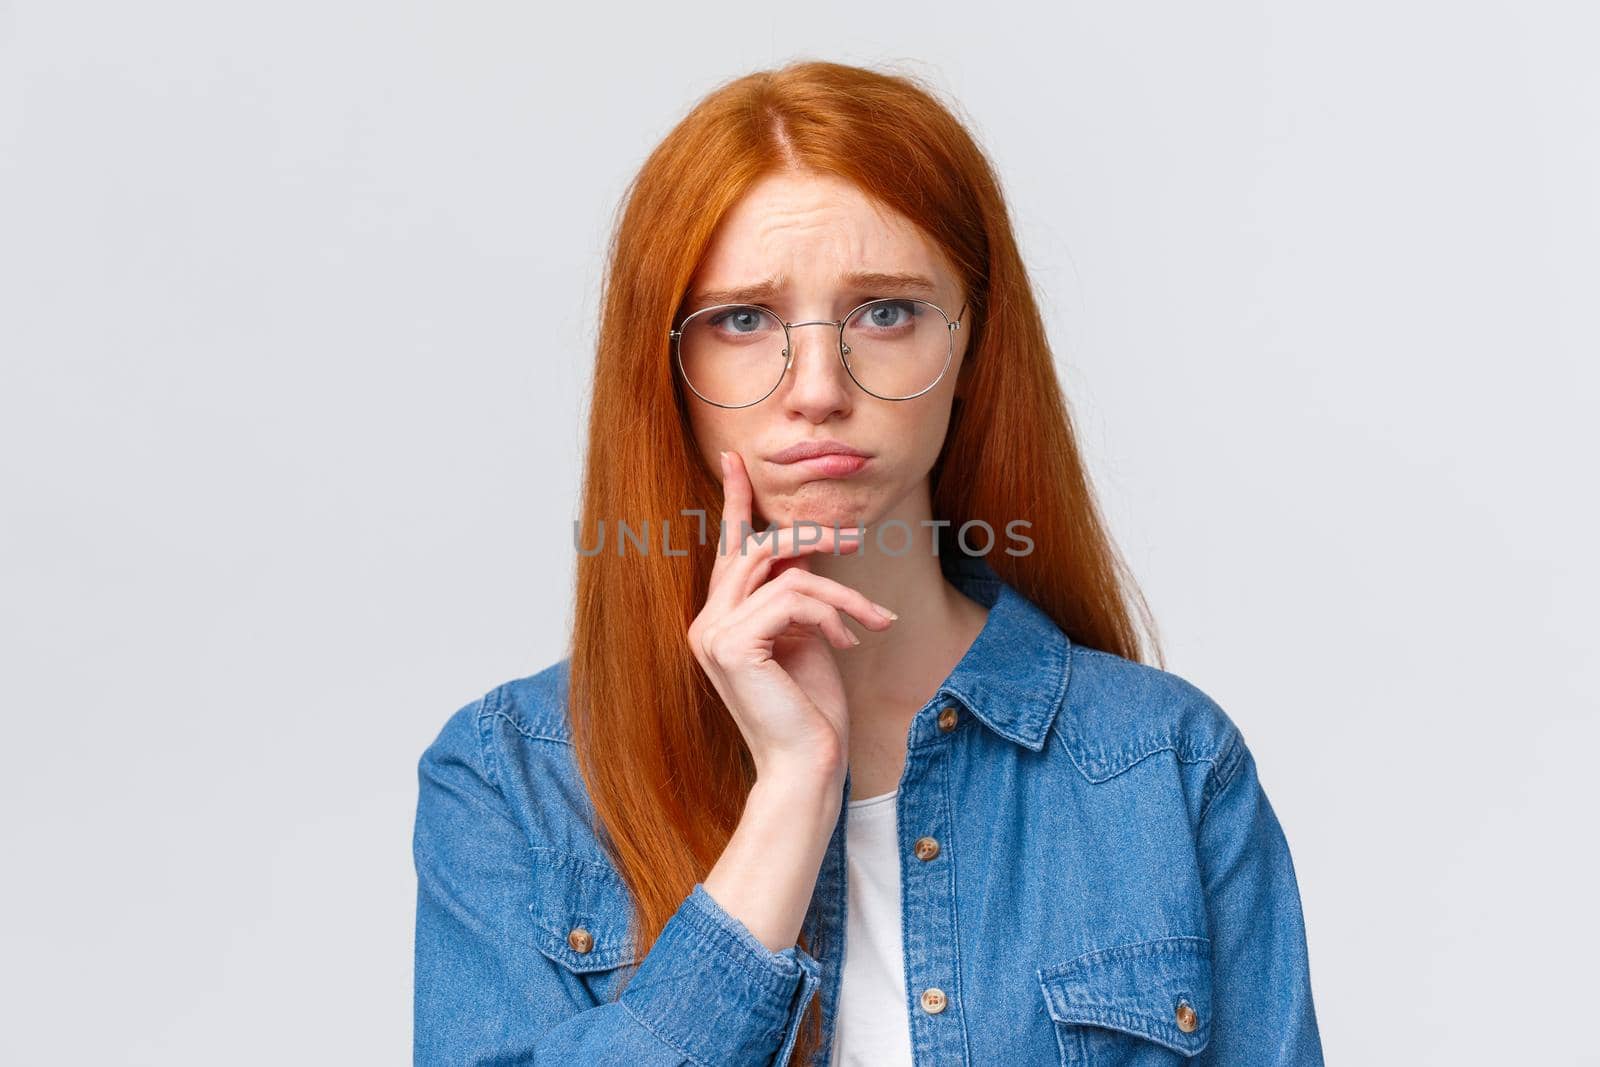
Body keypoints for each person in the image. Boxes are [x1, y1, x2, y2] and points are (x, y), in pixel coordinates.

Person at [413, 59, 1323, 1066]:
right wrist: (793, 791)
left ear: (974, 345)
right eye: (743, 318)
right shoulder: (513, 778)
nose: (815, 388)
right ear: (664, 365)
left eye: (883, 311)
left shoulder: (1164, 768)